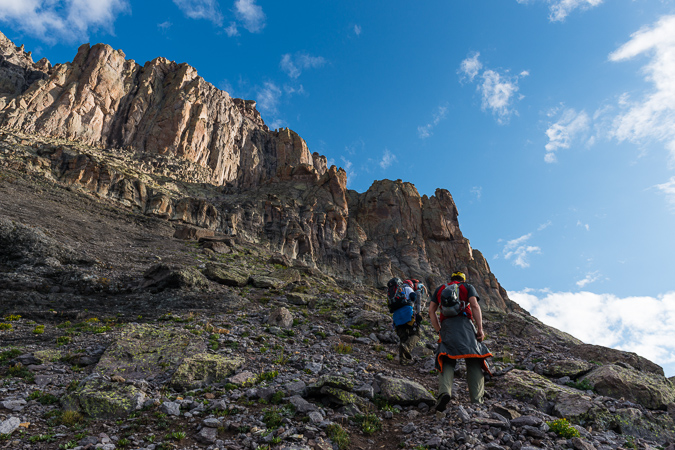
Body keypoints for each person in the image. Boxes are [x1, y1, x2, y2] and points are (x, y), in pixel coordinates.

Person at [429, 271, 492, 410]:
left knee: (446, 359)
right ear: (463, 280)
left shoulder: (440, 289)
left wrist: (439, 330)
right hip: (465, 325)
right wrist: (480, 329)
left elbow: (431, 311)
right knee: (474, 359)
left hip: (447, 327)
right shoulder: (467, 287)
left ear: (451, 279)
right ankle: (477, 401)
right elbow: (474, 305)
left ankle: (444, 392)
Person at [387, 277, 423, 365]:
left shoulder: (393, 293)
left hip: (397, 317)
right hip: (407, 314)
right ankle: (407, 347)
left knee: (403, 337)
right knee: (416, 334)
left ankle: (403, 360)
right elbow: (413, 296)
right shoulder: (407, 288)